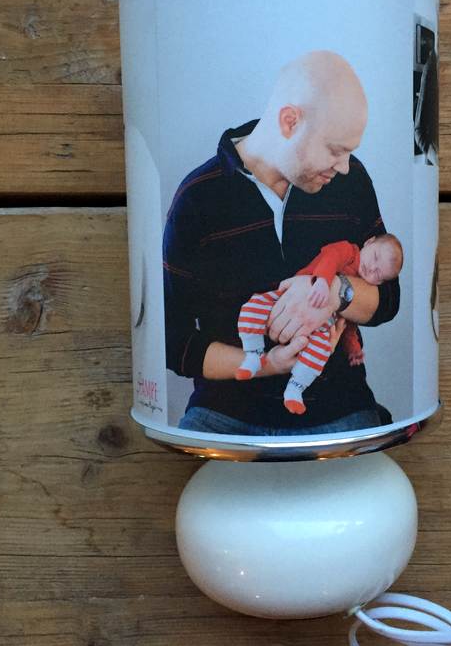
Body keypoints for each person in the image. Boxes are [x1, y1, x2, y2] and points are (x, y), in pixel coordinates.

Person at [163, 50, 400, 436]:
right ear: (290, 122)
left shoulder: (350, 181)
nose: (344, 166)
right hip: (224, 411)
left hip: (338, 406)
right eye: (336, 150)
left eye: (350, 153)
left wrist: (335, 292)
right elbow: (173, 342)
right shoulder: (197, 198)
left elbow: (388, 298)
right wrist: (268, 364)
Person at [236, 233, 404, 415]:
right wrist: (323, 281)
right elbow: (331, 256)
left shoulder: (360, 287)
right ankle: (253, 355)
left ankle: (295, 389)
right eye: (375, 257)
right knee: (252, 307)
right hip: (288, 299)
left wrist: (353, 348)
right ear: (369, 242)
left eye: (378, 274)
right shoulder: (349, 251)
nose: (371, 268)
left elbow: (349, 326)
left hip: (321, 326)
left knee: (320, 351)